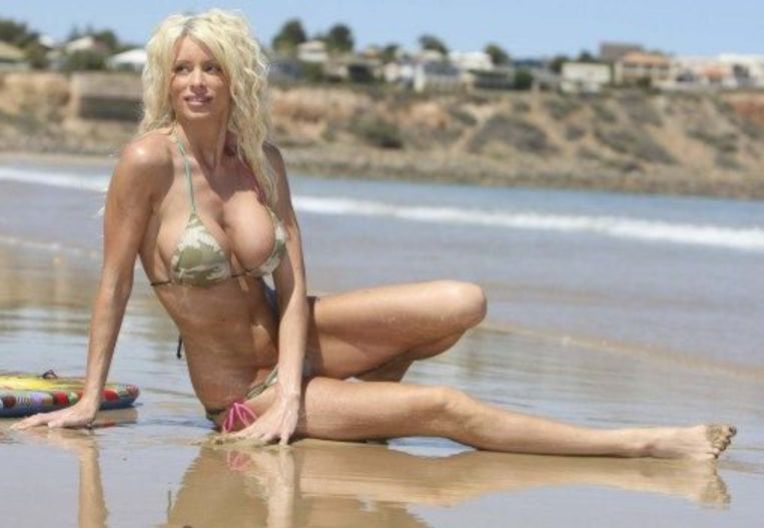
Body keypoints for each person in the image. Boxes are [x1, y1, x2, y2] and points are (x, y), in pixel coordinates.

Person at [12, 9, 735, 459]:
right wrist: (89, 398)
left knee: (463, 301)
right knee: (446, 409)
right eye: (182, 70)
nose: (197, 82)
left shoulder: (262, 160)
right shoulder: (147, 162)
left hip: (296, 348)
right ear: (165, 82)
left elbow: (293, 280)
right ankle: (646, 442)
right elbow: (114, 282)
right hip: (242, 388)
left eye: (212, 68)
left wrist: (299, 389)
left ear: (236, 80)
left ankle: (352, 405)